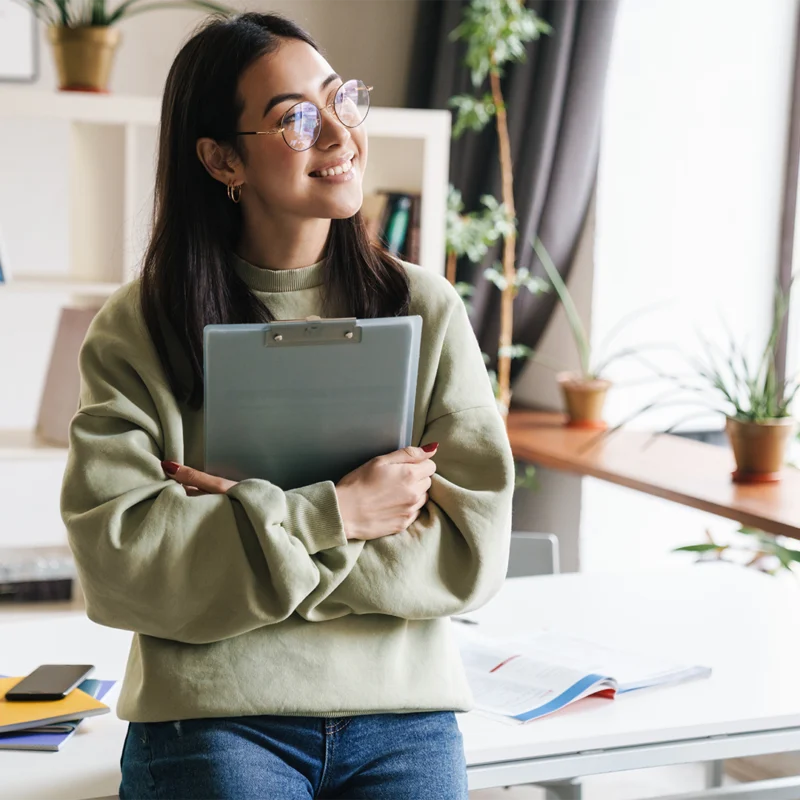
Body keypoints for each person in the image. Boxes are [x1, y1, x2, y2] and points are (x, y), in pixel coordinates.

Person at [59, 11, 514, 800]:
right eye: (296, 118)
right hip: (213, 718)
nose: (339, 133)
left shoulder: (425, 309)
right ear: (220, 158)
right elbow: (122, 564)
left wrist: (244, 523)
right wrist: (339, 511)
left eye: (342, 101)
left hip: (403, 717)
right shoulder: (140, 327)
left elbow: (469, 552)